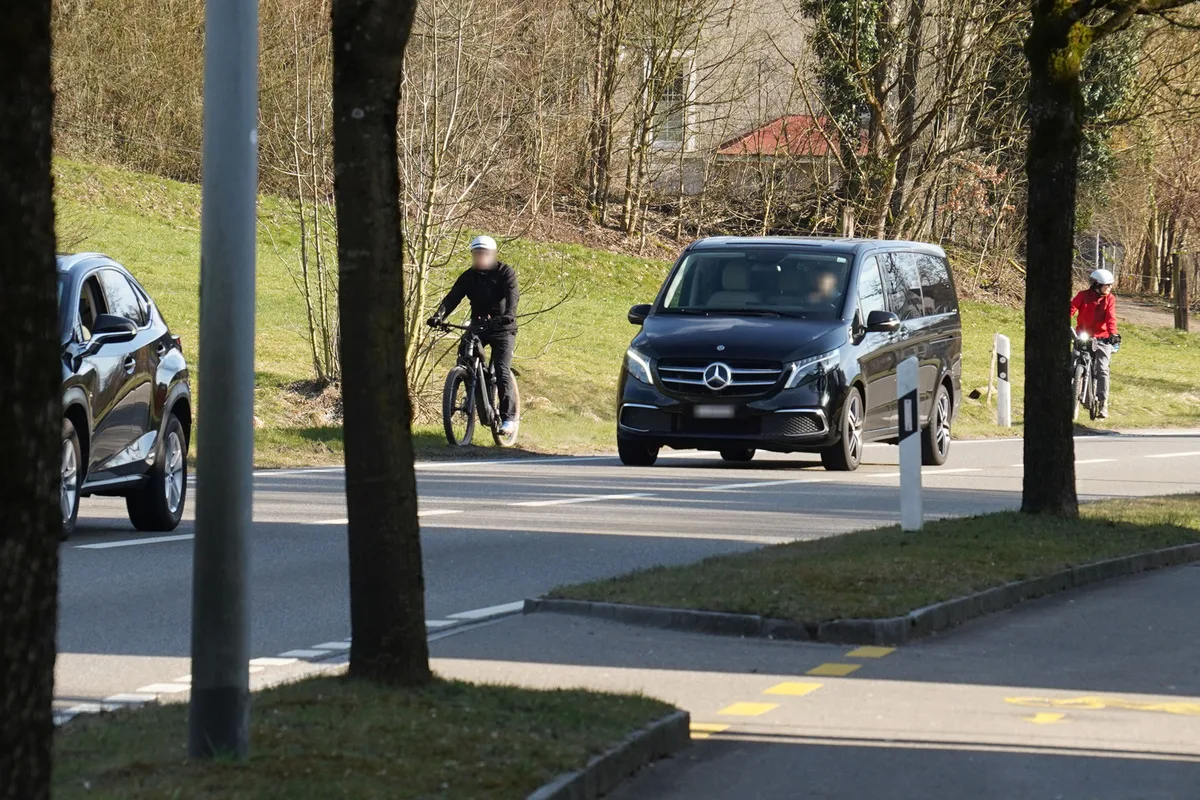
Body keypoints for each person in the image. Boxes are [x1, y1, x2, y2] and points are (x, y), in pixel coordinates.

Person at [428, 235, 520, 435]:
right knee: (463, 359)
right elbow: (452, 297)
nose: (480, 258)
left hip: (502, 327)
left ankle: (508, 418)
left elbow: (513, 296)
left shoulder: (505, 273)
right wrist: (439, 315)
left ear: (493, 255)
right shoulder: (468, 277)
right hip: (478, 326)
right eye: (477, 254)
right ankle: (471, 395)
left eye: (484, 254)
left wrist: (509, 315)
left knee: (502, 370)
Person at [1070, 268, 1119, 419]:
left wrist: (1113, 335)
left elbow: (1111, 318)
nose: (1109, 288)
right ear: (1096, 285)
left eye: (1110, 285)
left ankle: (1103, 404)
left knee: (1102, 369)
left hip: (1102, 338)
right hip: (1082, 336)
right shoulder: (1082, 296)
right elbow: (1071, 308)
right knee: (1071, 363)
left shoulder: (1109, 299)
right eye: (1106, 285)